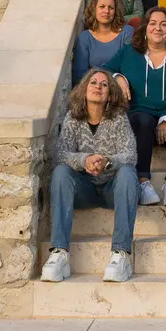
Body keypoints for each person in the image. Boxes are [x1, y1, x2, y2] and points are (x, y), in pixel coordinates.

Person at [41, 69, 138, 283]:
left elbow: (130, 154)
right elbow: (60, 153)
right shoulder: (72, 118)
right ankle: (59, 253)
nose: (98, 87)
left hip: (113, 188)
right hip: (82, 188)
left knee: (129, 173)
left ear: (111, 94)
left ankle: (121, 254)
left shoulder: (118, 119)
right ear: (84, 90)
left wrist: (106, 161)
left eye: (104, 85)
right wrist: (84, 160)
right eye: (93, 82)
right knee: (60, 172)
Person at [104, 7, 166, 208]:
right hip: (141, 116)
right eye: (153, 23)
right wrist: (118, 77)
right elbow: (103, 70)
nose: (158, 28)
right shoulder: (128, 53)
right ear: (145, 28)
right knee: (140, 120)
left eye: (163, 24)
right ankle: (143, 182)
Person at [72, 0, 134, 86]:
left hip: (122, 88)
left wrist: (95, 70)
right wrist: (114, 75)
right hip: (94, 90)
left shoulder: (127, 33)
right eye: (102, 7)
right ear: (94, 10)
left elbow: (130, 68)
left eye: (111, 8)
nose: (106, 11)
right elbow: (80, 77)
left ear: (116, 11)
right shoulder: (84, 38)